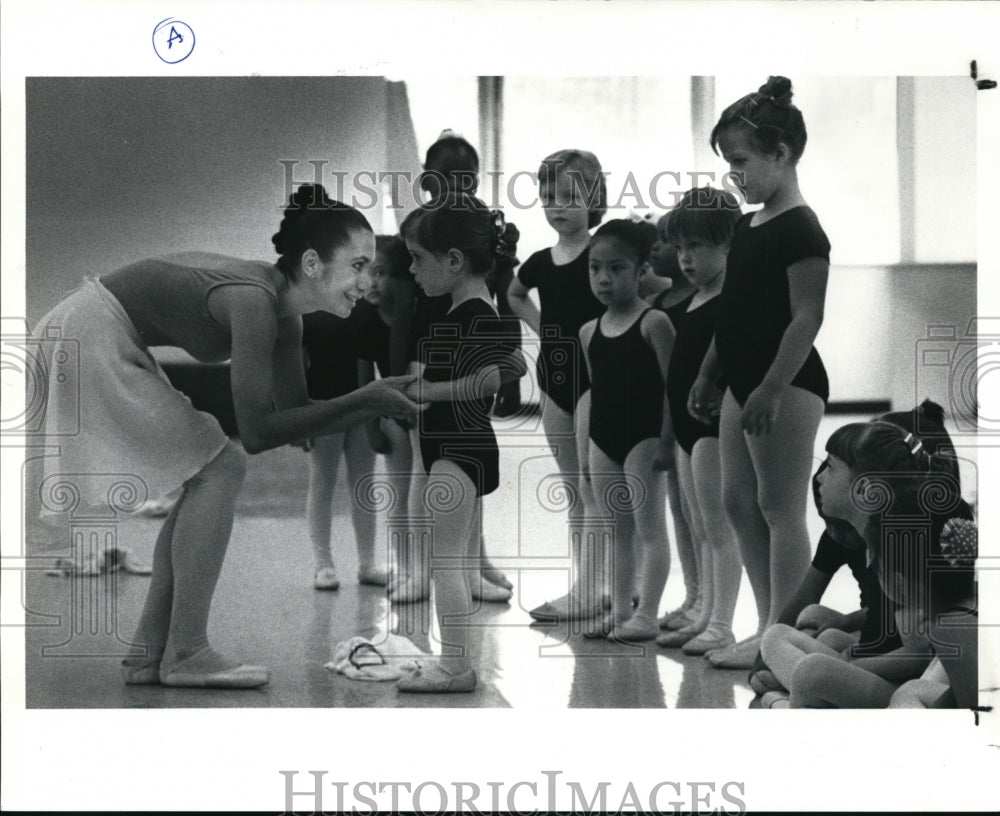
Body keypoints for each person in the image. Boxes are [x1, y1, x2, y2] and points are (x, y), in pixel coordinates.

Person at [31, 183, 421, 689]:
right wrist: (367, 398)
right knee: (221, 465)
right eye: (357, 265)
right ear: (310, 264)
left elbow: (296, 414)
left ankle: (150, 653)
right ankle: (186, 650)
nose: (368, 282)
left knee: (211, 470)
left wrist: (366, 399)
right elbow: (257, 432)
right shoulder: (255, 301)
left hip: (95, 331)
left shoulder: (286, 320)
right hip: (87, 331)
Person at [689, 76, 831, 669]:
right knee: (736, 499)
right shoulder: (746, 228)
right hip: (740, 380)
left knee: (779, 506)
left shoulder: (802, 229)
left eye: (742, 161)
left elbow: (806, 318)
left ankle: (785, 633)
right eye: (727, 164)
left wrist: (772, 386)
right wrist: (707, 372)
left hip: (788, 385)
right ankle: (766, 622)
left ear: (781, 153)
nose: (735, 176)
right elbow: (733, 312)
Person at [396, 193, 523, 692]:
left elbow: (493, 381)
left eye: (417, 259)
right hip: (450, 444)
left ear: (453, 260)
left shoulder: (478, 314)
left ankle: (456, 667)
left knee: (445, 561)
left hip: (460, 446)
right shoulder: (460, 310)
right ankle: (454, 661)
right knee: (448, 558)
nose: (411, 270)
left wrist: (430, 390)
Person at [751, 399, 953, 697]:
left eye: (830, 467)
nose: (819, 476)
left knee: (807, 667)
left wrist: (852, 664)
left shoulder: (899, 549)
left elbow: (918, 656)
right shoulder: (879, 541)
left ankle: (794, 695)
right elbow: (878, 612)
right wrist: (846, 634)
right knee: (807, 636)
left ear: (864, 488)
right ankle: (806, 690)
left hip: (903, 686)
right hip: (878, 661)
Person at [390, 131, 515, 604]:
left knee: (452, 519)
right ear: (427, 180)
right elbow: (404, 313)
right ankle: (420, 572)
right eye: (447, 178)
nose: (458, 187)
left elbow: (505, 349)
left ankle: (470, 576)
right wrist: (406, 376)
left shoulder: (475, 256)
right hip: (434, 386)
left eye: (467, 178)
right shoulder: (425, 243)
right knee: (426, 490)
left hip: (459, 411)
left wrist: (443, 390)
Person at [507, 149, 609, 622]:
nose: (557, 205)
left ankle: (598, 586)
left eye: (569, 195)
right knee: (573, 488)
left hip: (596, 376)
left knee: (594, 486)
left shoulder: (601, 255)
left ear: (594, 197)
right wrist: (543, 326)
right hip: (554, 376)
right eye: (548, 195)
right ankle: (586, 584)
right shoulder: (540, 261)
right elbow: (512, 293)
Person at [654, 188, 743, 656]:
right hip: (687, 429)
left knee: (717, 525)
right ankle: (704, 608)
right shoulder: (691, 298)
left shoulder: (730, 297)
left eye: (697, 247)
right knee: (695, 522)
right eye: (681, 247)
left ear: (729, 244)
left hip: (710, 425)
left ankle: (722, 622)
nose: (685, 258)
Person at [577, 219, 675, 641]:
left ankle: (647, 613)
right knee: (615, 529)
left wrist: (669, 441)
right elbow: (596, 394)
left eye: (616, 268)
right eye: (596, 268)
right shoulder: (588, 331)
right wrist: (585, 450)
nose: (604, 278)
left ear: (641, 272)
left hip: (645, 437)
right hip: (604, 437)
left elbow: (674, 387)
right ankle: (619, 611)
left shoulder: (655, 324)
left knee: (649, 529)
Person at [646, 212, 700, 632]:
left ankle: (708, 602)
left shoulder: (698, 300)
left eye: (669, 240)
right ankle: (694, 595)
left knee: (702, 517)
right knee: (680, 513)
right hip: (673, 421)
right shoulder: (658, 304)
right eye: (663, 241)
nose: (660, 249)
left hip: (695, 421)